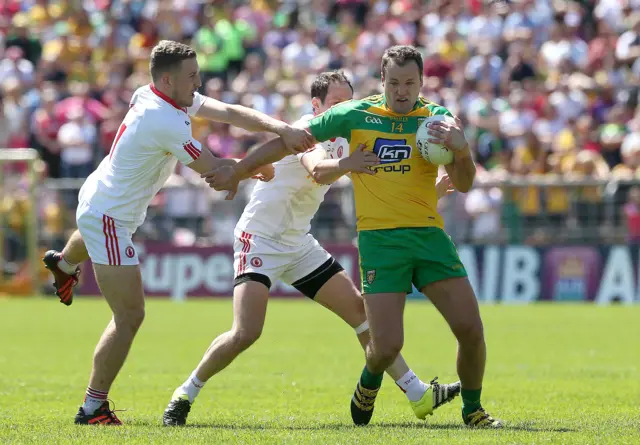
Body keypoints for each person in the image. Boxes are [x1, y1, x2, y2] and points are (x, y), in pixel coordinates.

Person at [207, 46, 502, 428]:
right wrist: (240, 169)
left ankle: (474, 411)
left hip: (429, 236)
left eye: (409, 83)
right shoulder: (355, 114)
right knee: (385, 347)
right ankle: (369, 381)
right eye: (394, 82)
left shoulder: (437, 120)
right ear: (382, 82)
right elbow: (290, 141)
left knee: (471, 328)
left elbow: (463, 184)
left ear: (422, 82)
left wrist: (462, 152)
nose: (401, 91)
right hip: (380, 243)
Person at [42, 39, 313, 425]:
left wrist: (280, 128)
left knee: (92, 230)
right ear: (168, 80)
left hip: (99, 196)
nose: (198, 81)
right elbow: (215, 174)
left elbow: (229, 111)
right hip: (110, 219)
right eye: (191, 76)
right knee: (130, 315)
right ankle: (92, 408)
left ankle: (65, 265)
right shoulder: (164, 119)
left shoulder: (157, 95)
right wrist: (249, 166)